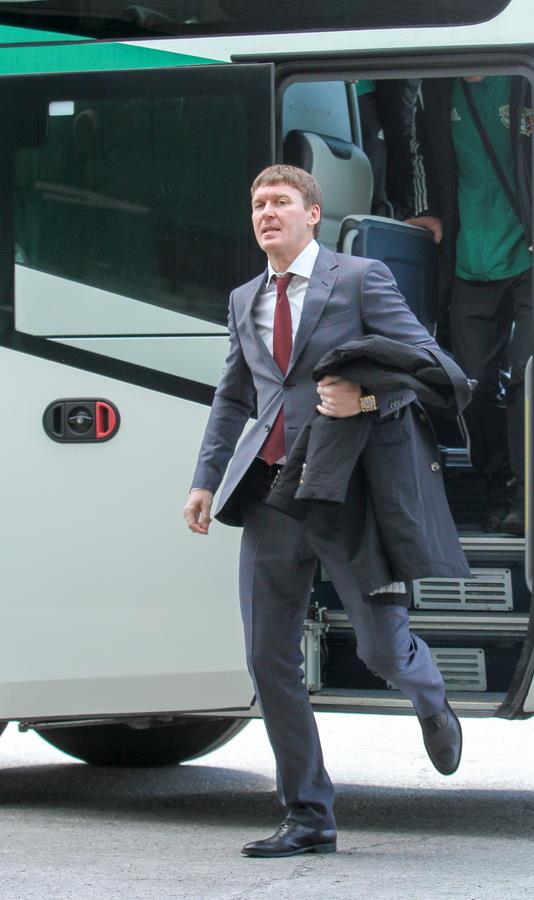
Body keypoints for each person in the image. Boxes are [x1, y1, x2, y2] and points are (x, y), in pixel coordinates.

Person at [183, 164, 466, 859]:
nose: (266, 212)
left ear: (313, 214)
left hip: (350, 493)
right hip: (271, 494)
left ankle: (431, 696)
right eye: (257, 203)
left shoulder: (361, 279)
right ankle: (309, 814)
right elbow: (234, 396)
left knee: (381, 650)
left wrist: (365, 399)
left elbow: (434, 369)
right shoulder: (245, 298)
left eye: (280, 201)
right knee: (267, 657)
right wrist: (206, 479)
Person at [406, 76, 532, 534]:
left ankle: (525, 492)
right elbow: (418, 150)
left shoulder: (522, 78)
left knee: (526, 377)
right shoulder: (438, 88)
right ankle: (498, 481)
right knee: (472, 384)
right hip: (469, 260)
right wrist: (426, 209)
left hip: (527, 257)